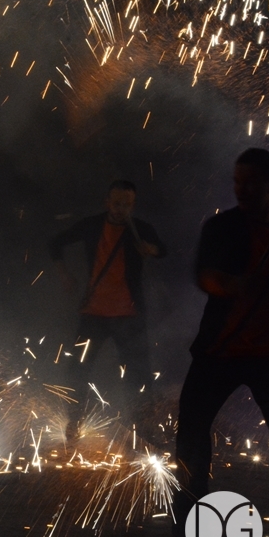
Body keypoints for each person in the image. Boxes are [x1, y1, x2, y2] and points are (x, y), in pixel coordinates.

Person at [172, 148, 269, 537]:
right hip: (219, 351)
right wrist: (232, 285)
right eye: (237, 182)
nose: (240, 190)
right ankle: (186, 534)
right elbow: (203, 274)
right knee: (191, 435)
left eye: (250, 183)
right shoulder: (220, 227)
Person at [49, 180, 167, 443]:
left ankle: (143, 432)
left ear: (133, 205)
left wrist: (151, 249)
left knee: (138, 375)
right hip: (94, 314)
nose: (121, 209)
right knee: (77, 369)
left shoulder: (140, 230)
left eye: (127, 204)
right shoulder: (92, 225)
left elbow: (163, 249)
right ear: (107, 202)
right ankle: (74, 423)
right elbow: (55, 243)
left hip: (129, 315)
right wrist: (64, 275)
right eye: (116, 203)